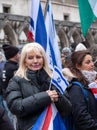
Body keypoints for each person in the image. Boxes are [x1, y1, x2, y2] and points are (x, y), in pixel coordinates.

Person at [6, 42, 72, 130]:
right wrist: (45, 97)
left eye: (38, 57)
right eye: (30, 58)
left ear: (43, 59)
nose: (35, 61)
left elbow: (68, 109)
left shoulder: (53, 79)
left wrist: (58, 99)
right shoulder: (16, 80)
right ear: (24, 61)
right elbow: (16, 107)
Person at [62, 50, 97, 130]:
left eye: (92, 61)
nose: (92, 64)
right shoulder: (75, 87)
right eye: (88, 62)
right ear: (78, 66)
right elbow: (81, 115)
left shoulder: (90, 83)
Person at [1, 44, 21, 129]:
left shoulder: (5, 66)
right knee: (12, 120)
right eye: (18, 53)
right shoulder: (15, 68)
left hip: (5, 97)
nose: (20, 55)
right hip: (12, 98)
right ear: (15, 55)